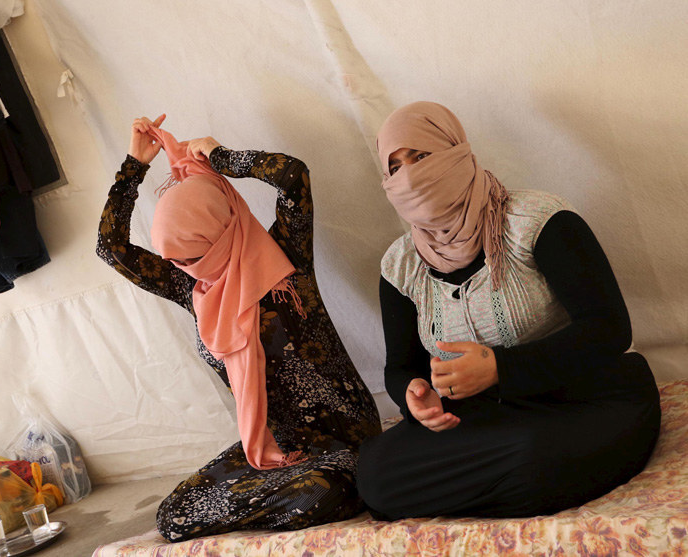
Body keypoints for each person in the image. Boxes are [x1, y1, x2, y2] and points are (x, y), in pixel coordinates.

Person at [356, 101, 661, 520]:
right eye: (395, 168)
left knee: (536, 457)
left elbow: (610, 330)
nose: (409, 175)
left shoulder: (539, 222)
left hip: (585, 398)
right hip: (488, 418)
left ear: (456, 152)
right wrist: (413, 394)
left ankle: (505, 485)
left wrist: (501, 367)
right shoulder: (400, 266)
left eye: (421, 156)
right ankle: (521, 487)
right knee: (375, 474)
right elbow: (400, 366)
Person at [97, 114, 381, 541]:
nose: (187, 269)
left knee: (320, 493)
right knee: (173, 516)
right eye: (178, 260)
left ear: (222, 229)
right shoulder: (193, 288)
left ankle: (295, 496)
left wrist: (220, 156)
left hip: (345, 439)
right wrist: (133, 166)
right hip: (275, 445)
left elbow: (293, 176)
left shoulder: (287, 258)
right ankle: (278, 496)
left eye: (194, 256)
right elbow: (110, 247)